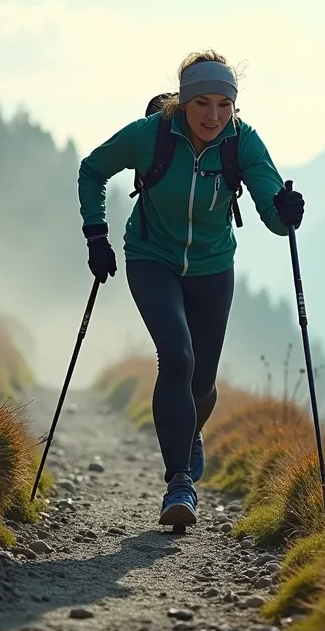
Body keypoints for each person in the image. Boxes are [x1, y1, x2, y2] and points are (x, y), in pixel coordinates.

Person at [75, 50, 305, 527]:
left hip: (212, 266)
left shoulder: (243, 143)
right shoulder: (151, 135)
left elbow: (272, 214)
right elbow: (93, 169)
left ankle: (189, 433)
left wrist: (286, 213)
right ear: (183, 102)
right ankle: (179, 483)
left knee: (202, 381)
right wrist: (96, 234)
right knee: (177, 357)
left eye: (224, 104)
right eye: (202, 103)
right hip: (150, 257)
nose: (213, 115)